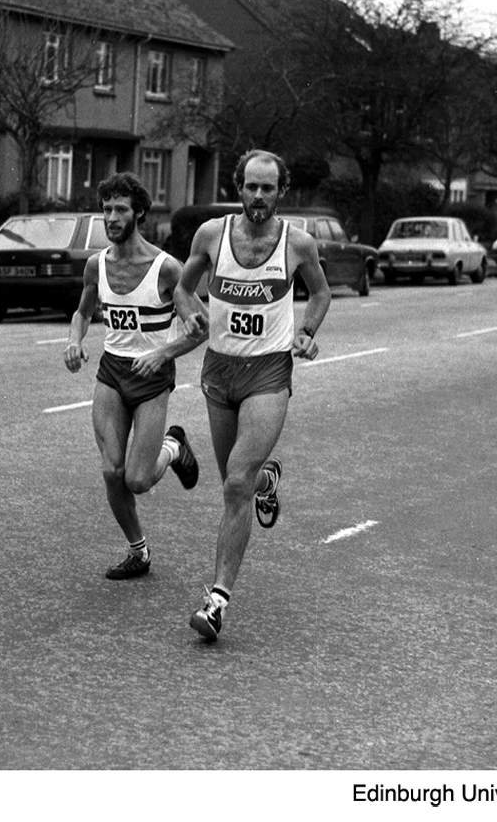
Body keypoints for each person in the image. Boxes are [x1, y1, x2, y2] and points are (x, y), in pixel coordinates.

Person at [174, 149, 332, 641]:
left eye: (268, 188)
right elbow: (182, 287)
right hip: (219, 370)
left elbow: (320, 293)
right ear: (238, 187)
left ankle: (217, 601)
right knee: (234, 481)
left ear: (281, 191)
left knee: (233, 483)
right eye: (250, 187)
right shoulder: (211, 235)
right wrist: (190, 310)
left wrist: (306, 331)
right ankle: (267, 482)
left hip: (268, 372)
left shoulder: (298, 243)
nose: (258, 197)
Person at [64, 173, 203, 580]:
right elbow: (82, 312)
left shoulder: (166, 269)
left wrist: (163, 353)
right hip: (112, 371)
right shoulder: (97, 265)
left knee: (138, 479)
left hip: (152, 376)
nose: (111, 217)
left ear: (138, 213)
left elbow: (203, 326)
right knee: (111, 471)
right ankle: (138, 551)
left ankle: (173, 447)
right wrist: (74, 341)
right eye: (106, 209)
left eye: (120, 209)